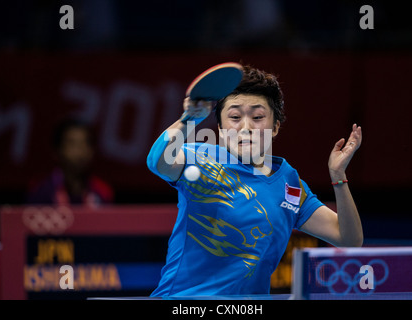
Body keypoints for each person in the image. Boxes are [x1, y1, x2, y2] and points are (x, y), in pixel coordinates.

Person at [146, 65, 363, 297]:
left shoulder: (289, 182)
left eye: (258, 117)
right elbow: (157, 161)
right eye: (235, 117)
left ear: (275, 127)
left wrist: (339, 177)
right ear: (219, 128)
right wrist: (188, 119)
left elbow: (349, 239)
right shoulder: (199, 159)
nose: (246, 127)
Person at [27, 118, 114, 206]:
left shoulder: (102, 191)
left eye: (86, 143)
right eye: (73, 144)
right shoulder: (41, 191)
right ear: (56, 151)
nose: (81, 151)